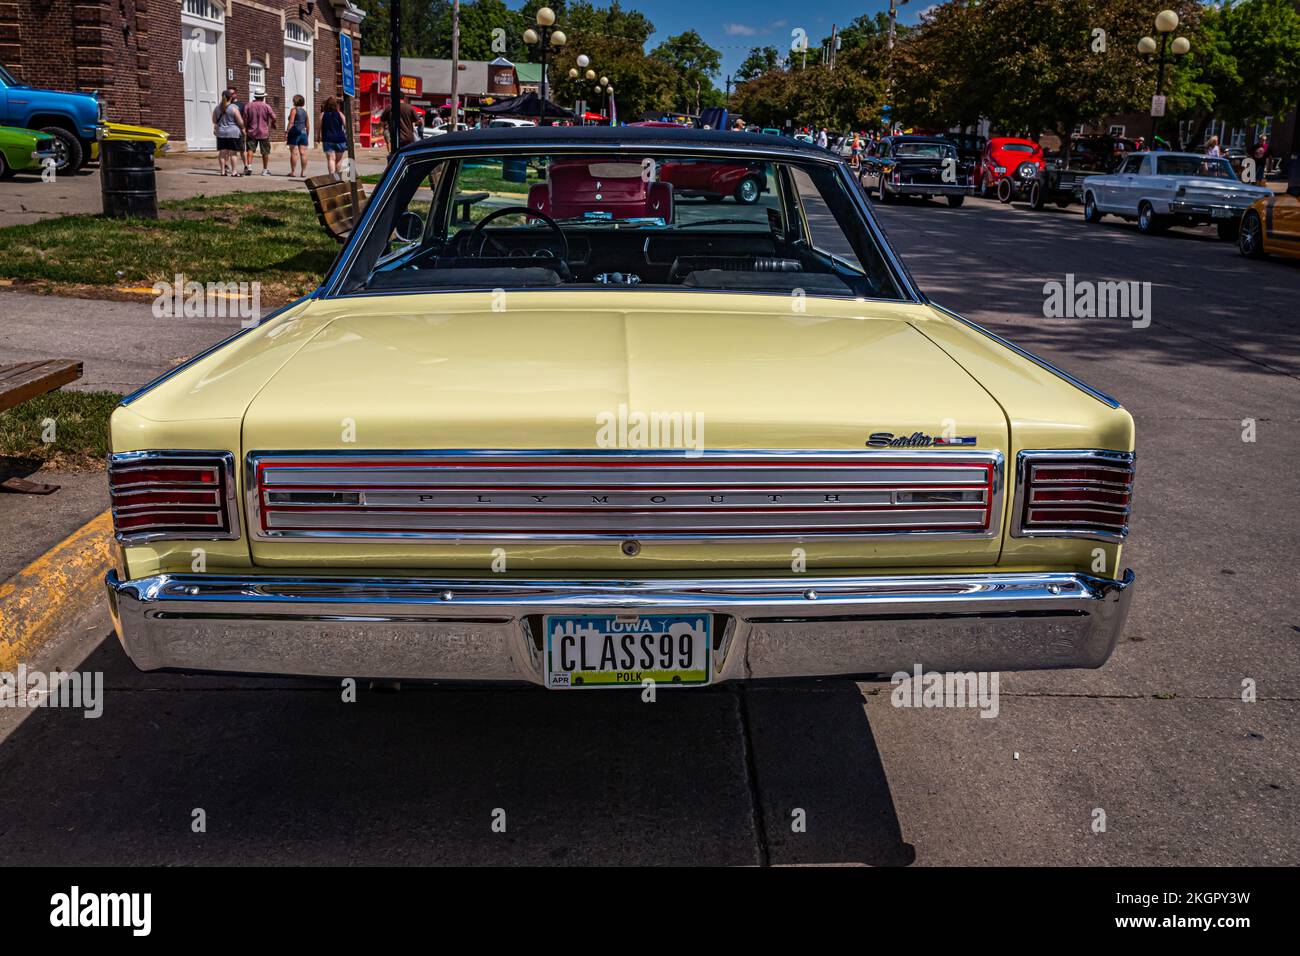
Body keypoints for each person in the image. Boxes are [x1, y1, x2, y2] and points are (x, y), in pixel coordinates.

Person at [242, 91, 277, 176]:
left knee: (250, 149)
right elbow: (274, 117)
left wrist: (246, 128)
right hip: (263, 132)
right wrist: (272, 123)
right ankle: (265, 170)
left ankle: (249, 167)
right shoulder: (266, 106)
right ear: (263, 97)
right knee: (265, 152)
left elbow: (245, 119)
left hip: (251, 132)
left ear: (255, 97)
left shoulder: (248, 106)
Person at [212, 90, 244, 176]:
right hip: (233, 133)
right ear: (230, 97)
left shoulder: (217, 108)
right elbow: (240, 121)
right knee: (233, 153)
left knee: (222, 153)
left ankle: (223, 171)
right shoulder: (233, 107)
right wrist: (242, 127)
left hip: (221, 133)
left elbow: (214, 121)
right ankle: (234, 172)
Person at [318, 97, 348, 175]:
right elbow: (346, 125)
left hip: (328, 139)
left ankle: (332, 178)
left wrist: (318, 136)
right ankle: (337, 177)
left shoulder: (323, 114)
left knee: (331, 159)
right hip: (340, 139)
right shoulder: (340, 114)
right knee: (338, 160)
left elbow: (319, 127)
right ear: (336, 105)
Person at [227, 86, 251, 175]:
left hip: (240, 131)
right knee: (230, 151)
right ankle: (229, 167)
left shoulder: (241, 105)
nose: (230, 95)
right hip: (229, 131)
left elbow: (246, 117)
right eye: (228, 93)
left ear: (235, 94)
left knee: (242, 150)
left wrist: (245, 128)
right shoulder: (226, 105)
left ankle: (246, 166)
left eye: (231, 93)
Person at [286, 93, 309, 178]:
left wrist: (287, 131)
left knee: (294, 153)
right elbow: (307, 124)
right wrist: (307, 134)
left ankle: (293, 172)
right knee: (303, 153)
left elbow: (291, 122)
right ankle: (303, 172)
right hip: (303, 133)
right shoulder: (304, 111)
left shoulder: (294, 110)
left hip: (294, 132)